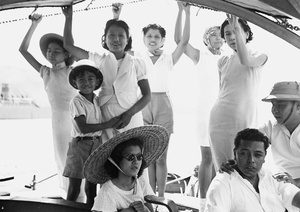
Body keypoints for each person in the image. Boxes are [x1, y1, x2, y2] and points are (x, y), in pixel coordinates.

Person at [112, 2, 190, 199]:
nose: (153, 39)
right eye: (149, 36)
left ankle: (160, 197)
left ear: (163, 40)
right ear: (143, 39)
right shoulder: (137, 56)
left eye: (157, 36)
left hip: (163, 104)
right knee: (144, 157)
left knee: (162, 157)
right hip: (142, 104)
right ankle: (147, 195)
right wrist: (117, 15)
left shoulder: (168, 58)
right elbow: (115, 46)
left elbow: (183, 42)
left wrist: (183, 11)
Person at [62, 4, 151, 143]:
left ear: (127, 40)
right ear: (105, 39)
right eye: (111, 35)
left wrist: (129, 114)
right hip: (106, 116)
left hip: (131, 117)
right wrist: (68, 17)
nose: (116, 39)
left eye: (121, 36)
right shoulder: (99, 58)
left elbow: (147, 95)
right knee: (109, 157)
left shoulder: (137, 62)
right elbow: (68, 46)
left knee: (132, 155)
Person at [19, 13, 78, 198]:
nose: (51, 54)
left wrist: (68, 18)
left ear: (67, 53)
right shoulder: (45, 72)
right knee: (62, 161)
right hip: (57, 124)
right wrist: (34, 25)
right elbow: (23, 50)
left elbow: (72, 46)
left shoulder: (72, 71)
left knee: (76, 163)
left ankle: (79, 199)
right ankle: (71, 199)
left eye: (56, 50)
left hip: (76, 122)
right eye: (49, 51)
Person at [174, 3, 224, 210]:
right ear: (206, 38)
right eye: (214, 34)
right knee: (206, 157)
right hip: (205, 109)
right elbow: (179, 41)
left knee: (223, 157)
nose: (219, 38)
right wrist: (183, 11)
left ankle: (220, 200)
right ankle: (203, 203)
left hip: (224, 109)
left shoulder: (230, 57)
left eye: (221, 34)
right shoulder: (200, 56)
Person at [208, 14, 268, 170]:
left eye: (236, 31)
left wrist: (236, 26)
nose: (232, 36)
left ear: (246, 34)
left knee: (244, 165)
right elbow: (221, 91)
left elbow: (245, 60)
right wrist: (235, 27)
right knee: (222, 169)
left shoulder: (259, 55)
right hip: (219, 118)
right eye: (228, 33)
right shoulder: (222, 61)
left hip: (242, 117)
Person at [63, 59, 119, 206]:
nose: (86, 82)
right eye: (81, 79)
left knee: (91, 186)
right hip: (80, 147)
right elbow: (83, 128)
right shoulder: (77, 101)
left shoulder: (96, 99)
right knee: (74, 186)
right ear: (75, 83)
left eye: (90, 78)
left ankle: (91, 209)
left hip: (96, 145)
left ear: (97, 82)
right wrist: (108, 124)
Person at [205, 128, 300, 212]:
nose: (251, 160)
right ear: (235, 154)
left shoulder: (272, 178)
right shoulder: (222, 183)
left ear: (264, 156)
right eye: (244, 154)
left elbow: (294, 196)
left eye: (257, 155)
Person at [83, 125, 170, 212]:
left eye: (139, 157)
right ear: (116, 160)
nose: (136, 161)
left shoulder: (140, 181)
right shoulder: (107, 193)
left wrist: (144, 209)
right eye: (130, 157)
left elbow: (150, 209)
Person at [260, 81, 300, 188]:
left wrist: (295, 183)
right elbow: (250, 144)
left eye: (281, 106)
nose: (275, 110)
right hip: (283, 187)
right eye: (273, 105)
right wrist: (233, 163)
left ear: (298, 106)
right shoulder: (270, 127)